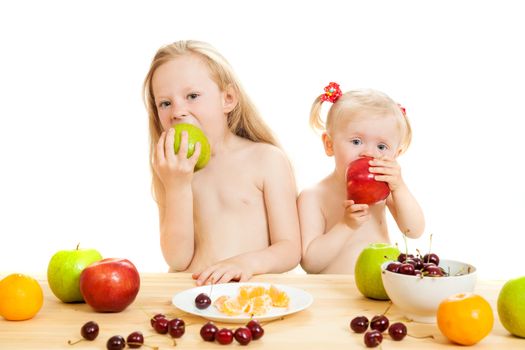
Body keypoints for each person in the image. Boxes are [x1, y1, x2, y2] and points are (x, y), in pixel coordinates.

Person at [143, 40, 301, 285]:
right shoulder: (173, 170)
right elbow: (177, 259)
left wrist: (244, 263)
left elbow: (290, 249)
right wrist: (177, 187)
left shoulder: (265, 159)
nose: (177, 112)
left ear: (227, 98)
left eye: (192, 96)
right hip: (192, 297)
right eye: (165, 103)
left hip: (248, 298)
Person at [298, 82, 425, 274]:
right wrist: (346, 225)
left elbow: (414, 230)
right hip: (334, 294)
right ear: (329, 144)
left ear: (396, 154)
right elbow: (310, 263)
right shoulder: (314, 196)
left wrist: (399, 187)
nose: (368, 153)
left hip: (382, 289)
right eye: (356, 142)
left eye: (382, 147)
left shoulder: (385, 189)